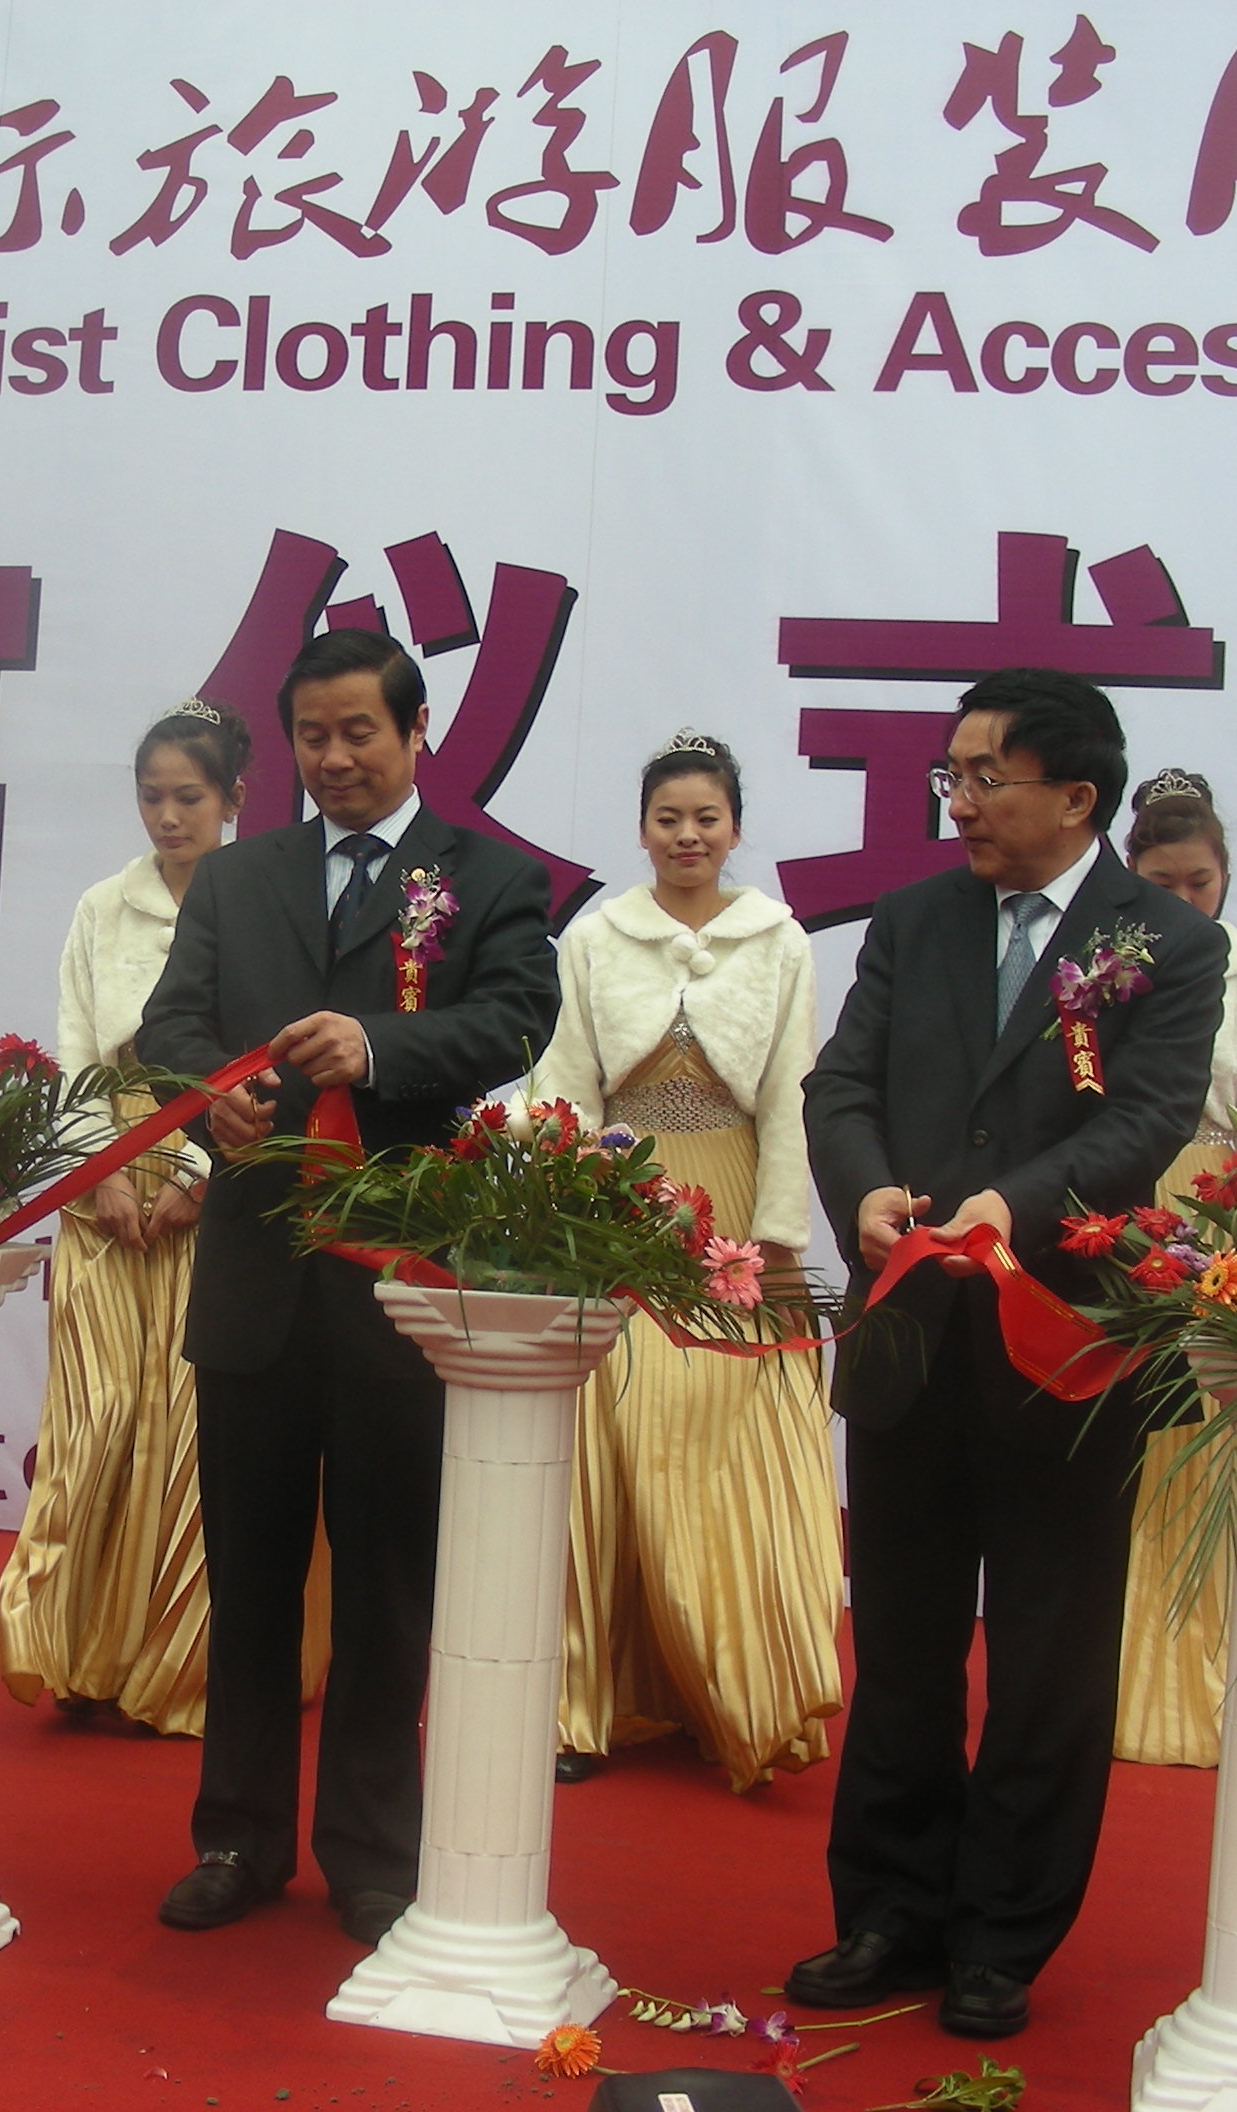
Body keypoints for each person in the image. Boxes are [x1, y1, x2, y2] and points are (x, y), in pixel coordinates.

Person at [790, 667, 1224, 2038]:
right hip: (913, 1333)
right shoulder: (914, 919)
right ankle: (888, 1912)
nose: (959, 801)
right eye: (952, 774)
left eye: (985, 777)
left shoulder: (1168, 942)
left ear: (1075, 795)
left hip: (1067, 1346)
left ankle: (1001, 1935)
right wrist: (863, 1189)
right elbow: (839, 1083)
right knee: (902, 1644)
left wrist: (1012, 1208)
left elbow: (1145, 1119)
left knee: (1047, 1655)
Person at [135, 627, 558, 1946]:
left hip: (400, 1277)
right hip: (254, 1279)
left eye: (358, 732)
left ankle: (373, 1853)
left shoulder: (491, 876)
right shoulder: (236, 876)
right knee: (251, 1584)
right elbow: (170, 1028)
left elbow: (516, 1018)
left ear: (416, 731)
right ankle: (237, 1839)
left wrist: (377, 1047)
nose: (333, 759)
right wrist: (211, 1097)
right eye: (311, 737)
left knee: (387, 1587)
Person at [0, 700, 331, 1735]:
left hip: (225, 1177)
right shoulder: (104, 906)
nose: (168, 817)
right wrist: (95, 1172)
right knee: (97, 1424)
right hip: (107, 1187)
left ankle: (180, 1667)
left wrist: (197, 1174)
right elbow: (75, 1051)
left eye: (189, 797)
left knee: (193, 1434)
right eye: (151, 797)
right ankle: (84, 1652)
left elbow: (266, 1062)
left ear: (235, 799)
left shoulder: (268, 903)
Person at [526, 730, 840, 1792]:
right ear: (642, 829)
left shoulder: (778, 940)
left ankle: (730, 1693)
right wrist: (568, 1207)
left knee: (720, 1439)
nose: (687, 836)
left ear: (735, 828)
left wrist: (783, 1240)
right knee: (604, 1437)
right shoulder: (595, 937)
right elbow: (564, 1082)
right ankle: (584, 1702)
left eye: (707, 818)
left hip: (733, 1210)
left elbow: (794, 1097)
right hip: (619, 1199)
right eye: (669, 819)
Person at [1112, 768, 1237, 1768]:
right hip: (1117, 1203)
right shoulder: (1098, 964)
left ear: (1223, 878)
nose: (1182, 901)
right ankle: (1095, 1678)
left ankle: (1184, 1677)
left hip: (1213, 1217)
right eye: (1161, 883)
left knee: (1198, 1444)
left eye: (1199, 884)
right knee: (1110, 1437)